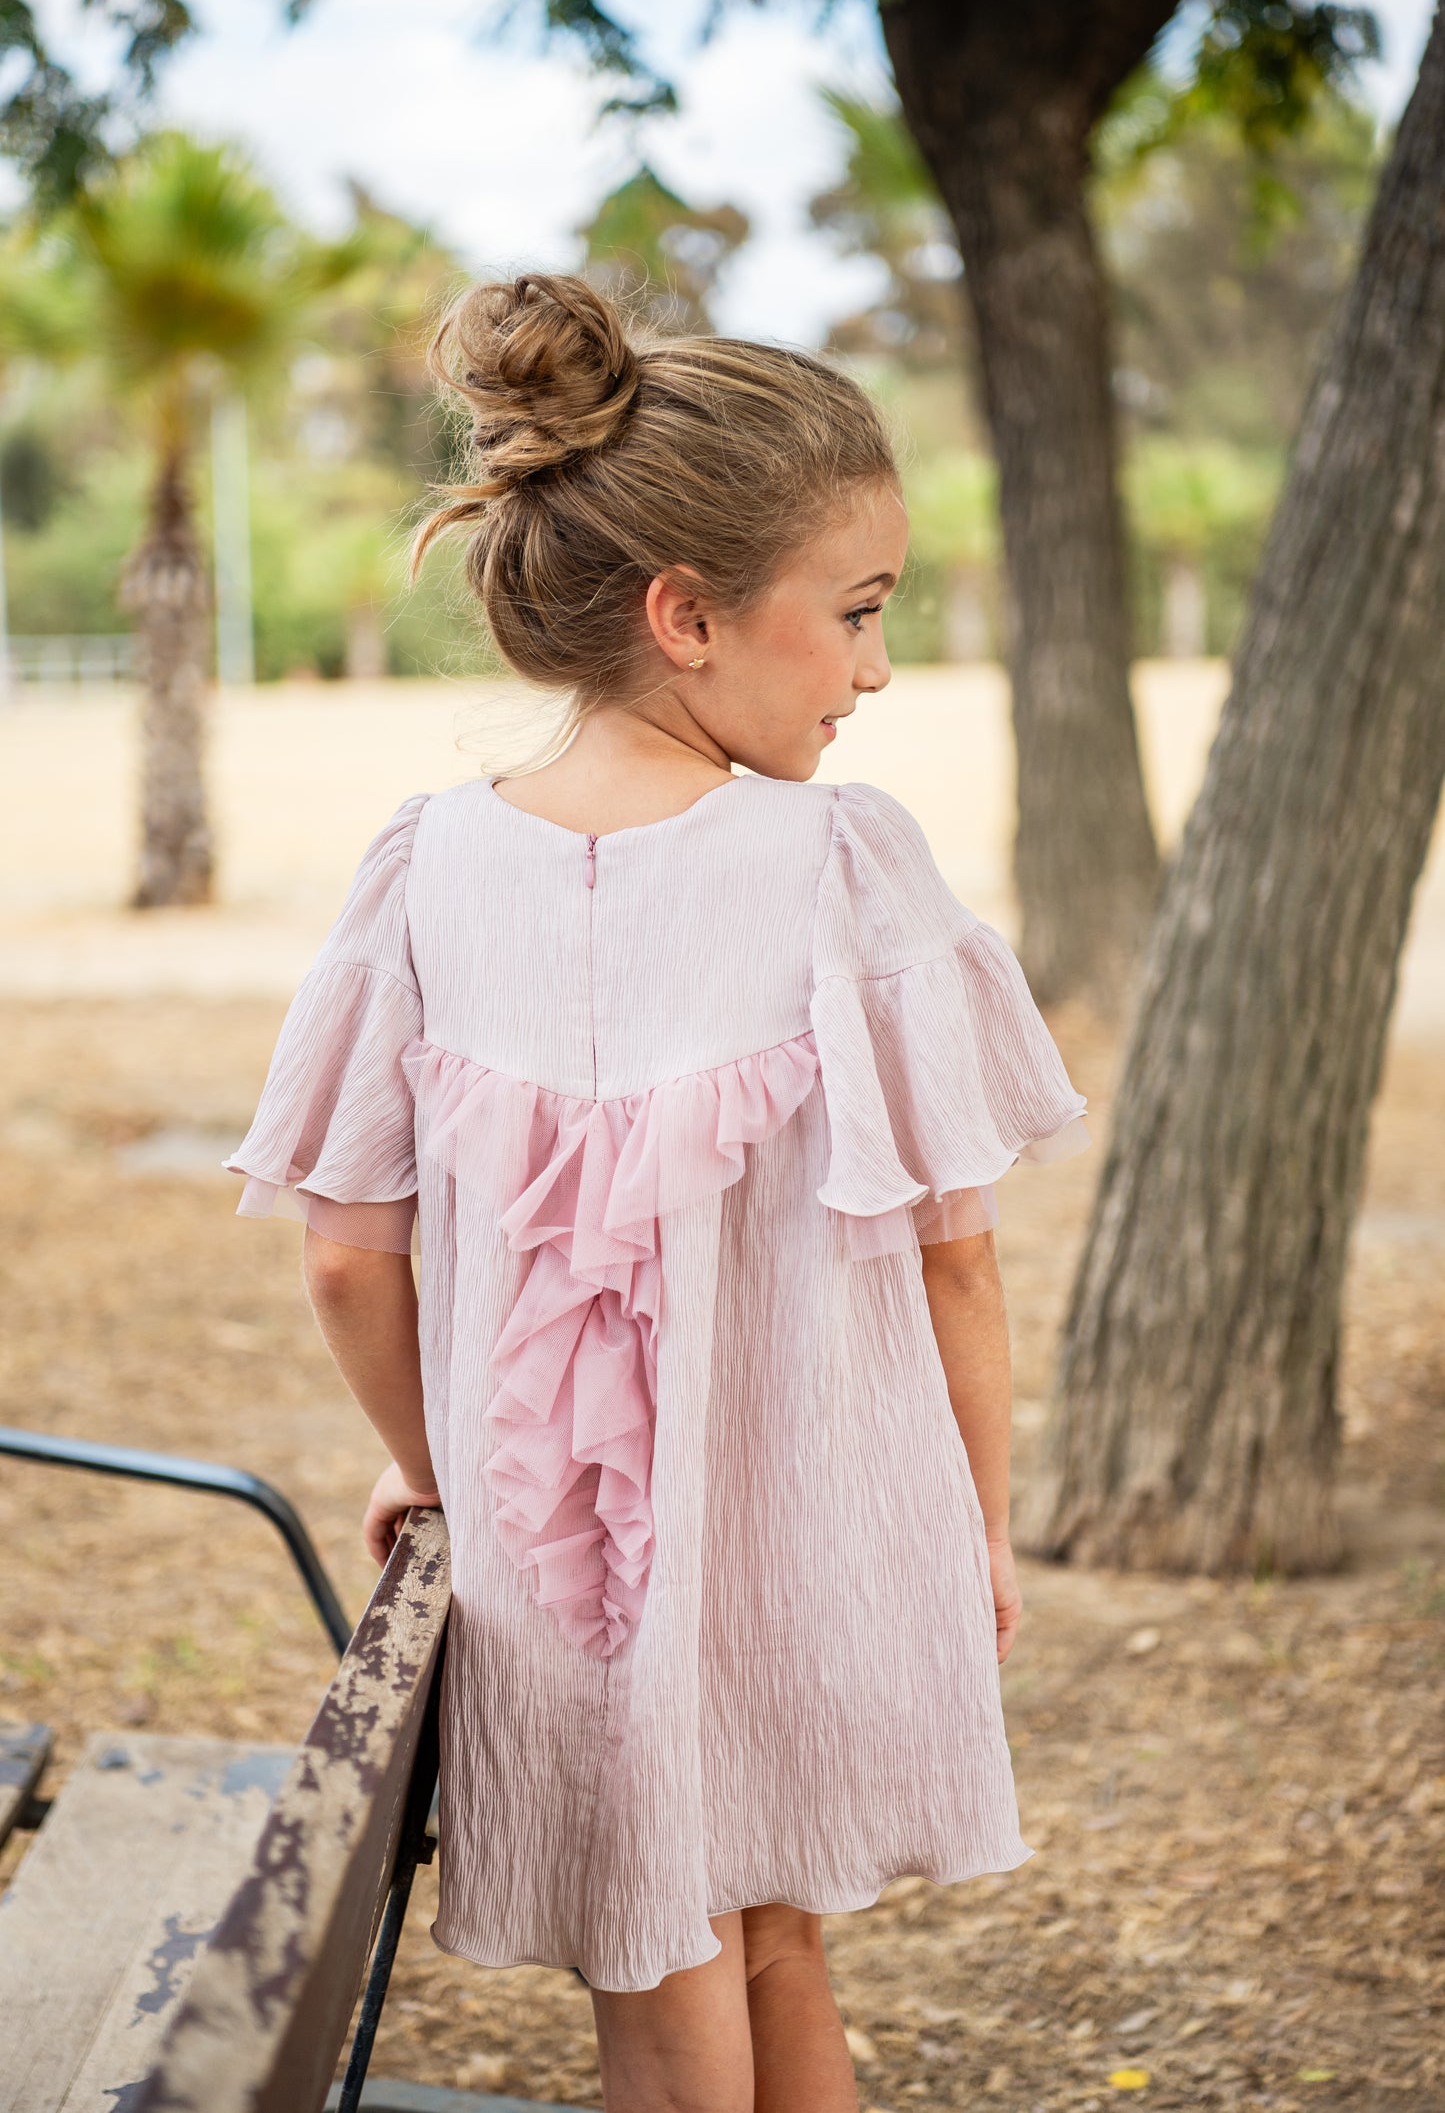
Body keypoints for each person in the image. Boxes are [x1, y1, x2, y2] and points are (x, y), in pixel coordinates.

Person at [225, 272, 1091, 2113]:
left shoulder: (424, 867)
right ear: (688, 613)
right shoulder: (844, 868)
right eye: (855, 614)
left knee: (661, 1957)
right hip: (820, 1537)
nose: (873, 668)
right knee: (778, 1931)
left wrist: (435, 1458)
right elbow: (958, 1268)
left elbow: (343, 1256)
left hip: (565, 1567)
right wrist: (978, 1523)